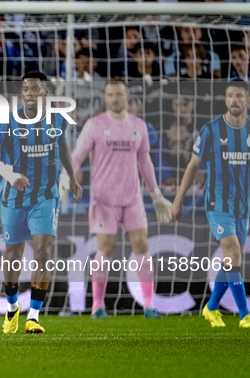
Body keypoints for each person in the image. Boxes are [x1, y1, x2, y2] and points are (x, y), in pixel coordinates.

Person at [61, 80, 172, 319]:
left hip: (132, 199)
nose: (114, 99)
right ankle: (98, 306)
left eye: (119, 94)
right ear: (105, 97)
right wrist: (65, 178)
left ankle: (149, 306)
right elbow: (77, 155)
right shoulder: (94, 125)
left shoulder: (138, 126)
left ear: (127, 96)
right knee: (106, 248)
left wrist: (157, 195)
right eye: (110, 94)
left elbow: (145, 162)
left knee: (142, 245)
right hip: (104, 200)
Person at [0, 70, 82, 334]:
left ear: (45, 92)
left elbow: (62, 146)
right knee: (13, 255)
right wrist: (9, 173)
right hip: (13, 197)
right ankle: (12, 306)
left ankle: (34, 316)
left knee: (43, 252)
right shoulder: (7, 121)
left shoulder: (58, 120)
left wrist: (72, 178)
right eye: (26, 89)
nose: (30, 94)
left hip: (46, 196)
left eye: (35, 89)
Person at [172, 80, 250, 328]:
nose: (234, 100)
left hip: (243, 206)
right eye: (230, 96)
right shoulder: (211, 129)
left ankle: (212, 308)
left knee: (231, 259)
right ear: (225, 100)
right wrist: (178, 198)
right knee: (234, 251)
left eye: (239, 96)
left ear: (247, 100)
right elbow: (193, 165)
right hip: (217, 204)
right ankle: (245, 314)